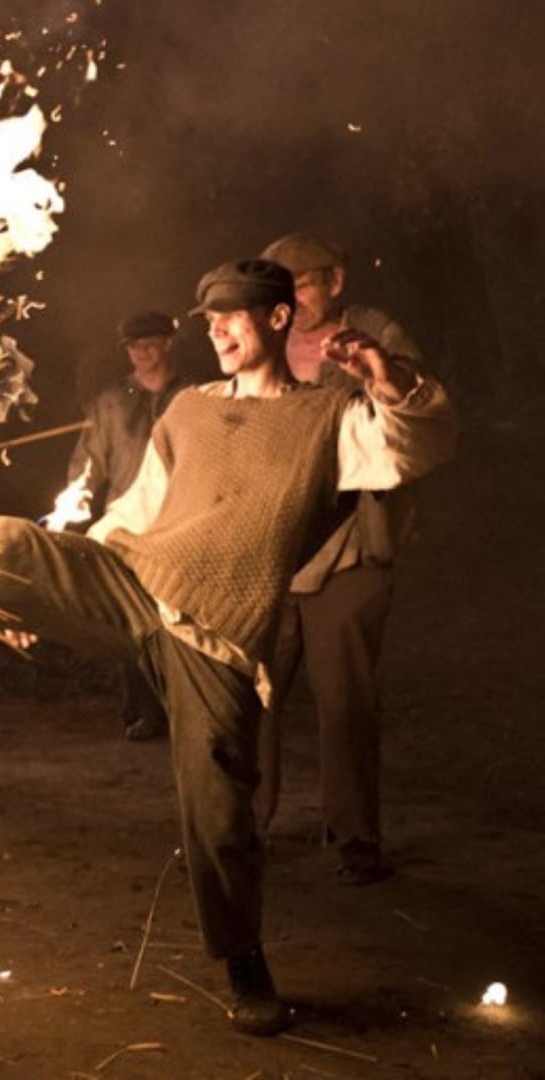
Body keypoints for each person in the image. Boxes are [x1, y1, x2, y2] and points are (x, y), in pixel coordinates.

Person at [0, 258, 456, 1036]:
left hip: (216, 633)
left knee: (220, 806)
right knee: (7, 545)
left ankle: (242, 956)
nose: (216, 330)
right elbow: (132, 512)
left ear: (278, 318)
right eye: (209, 319)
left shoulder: (330, 418)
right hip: (133, 583)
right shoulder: (187, 410)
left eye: (231, 316)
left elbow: (417, 444)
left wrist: (385, 377)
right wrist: (41, 593)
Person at [252, 233, 425, 884]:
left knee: (345, 699)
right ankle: (243, 827)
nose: (292, 301)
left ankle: (355, 838)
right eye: (281, 288)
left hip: (351, 543)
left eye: (302, 286)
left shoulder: (374, 334)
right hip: (272, 545)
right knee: (252, 693)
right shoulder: (261, 340)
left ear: (335, 282)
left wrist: (378, 371)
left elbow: (414, 407)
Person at [65, 310, 191, 740]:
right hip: (126, 528)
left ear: (168, 343)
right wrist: (73, 511)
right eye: (134, 346)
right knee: (133, 622)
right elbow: (87, 466)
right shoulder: (110, 403)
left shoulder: (193, 399)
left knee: (180, 621)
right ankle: (142, 712)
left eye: (150, 343)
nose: (141, 352)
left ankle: (185, 708)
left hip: (181, 523)